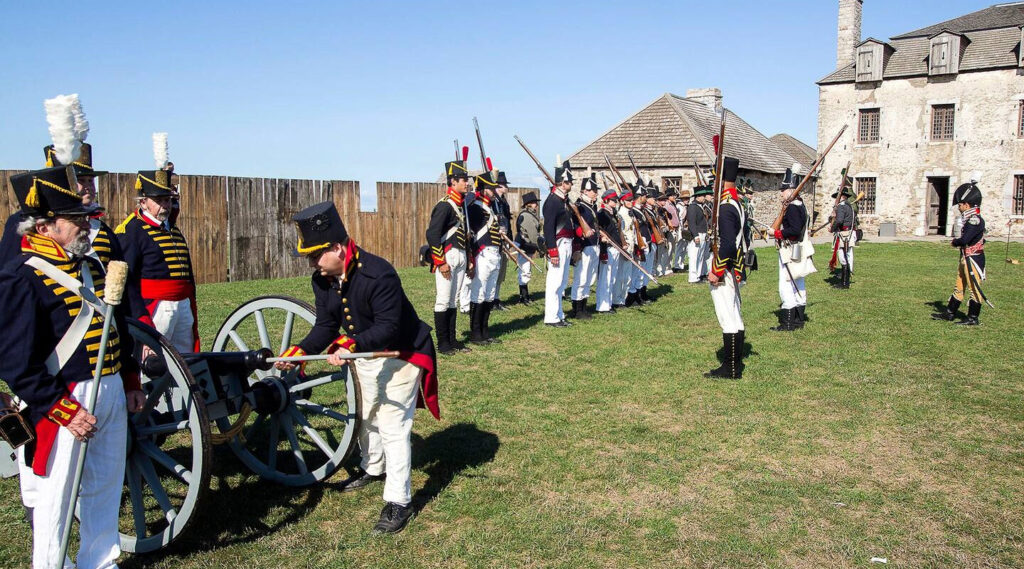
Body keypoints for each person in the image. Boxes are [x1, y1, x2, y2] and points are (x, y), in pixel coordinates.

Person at [0, 166, 145, 569]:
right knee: (56, 496)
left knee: (104, 486)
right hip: (64, 398)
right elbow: (16, 363)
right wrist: (63, 409)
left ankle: (100, 560)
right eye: (76, 219)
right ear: (45, 226)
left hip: (110, 386)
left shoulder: (89, 265)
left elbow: (117, 326)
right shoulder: (21, 277)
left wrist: (130, 377)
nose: (86, 224)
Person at [276, 201, 439, 534]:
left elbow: (389, 328)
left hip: (402, 354)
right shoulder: (322, 280)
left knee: (393, 426)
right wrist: (299, 350)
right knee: (364, 414)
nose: (310, 262)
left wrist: (349, 344)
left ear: (337, 248)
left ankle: (399, 500)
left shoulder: (378, 273)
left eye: (314, 255)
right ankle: (372, 467)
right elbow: (326, 325)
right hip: (364, 355)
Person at [116, 165, 200, 353]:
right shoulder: (132, 231)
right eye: (159, 200)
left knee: (185, 362)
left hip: (182, 304)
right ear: (143, 202)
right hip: (155, 307)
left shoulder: (171, 228)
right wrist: (140, 316)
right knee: (154, 361)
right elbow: (128, 278)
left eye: (168, 199)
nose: (166, 205)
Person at [705, 157, 747, 379]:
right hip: (734, 265)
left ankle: (730, 368)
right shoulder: (735, 203)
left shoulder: (726, 206)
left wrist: (717, 271)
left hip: (726, 266)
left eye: (715, 180)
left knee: (727, 317)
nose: (713, 185)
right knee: (735, 315)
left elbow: (729, 244)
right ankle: (736, 364)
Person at [425, 158, 473, 354]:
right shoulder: (445, 205)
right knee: (443, 300)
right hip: (447, 257)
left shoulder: (461, 206)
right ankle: (443, 343)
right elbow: (432, 234)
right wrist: (440, 261)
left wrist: (469, 259)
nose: (466, 182)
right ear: (452, 182)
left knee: (453, 300)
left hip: (460, 255)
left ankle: (452, 341)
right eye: (462, 179)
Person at [932, 182, 987, 326]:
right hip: (965, 258)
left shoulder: (974, 220)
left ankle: (973, 318)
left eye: (960, 205)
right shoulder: (969, 219)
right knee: (959, 287)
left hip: (973, 259)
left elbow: (965, 239)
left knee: (974, 289)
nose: (959, 207)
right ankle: (950, 313)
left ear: (967, 205)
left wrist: (954, 242)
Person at [543, 161, 584, 327]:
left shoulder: (563, 201)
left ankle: (559, 314)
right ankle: (551, 317)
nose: (571, 184)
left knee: (562, 281)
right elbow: (548, 228)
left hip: (566, 243)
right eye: (568, 182)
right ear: (561, 182)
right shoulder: (553, 201)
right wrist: (552, 251)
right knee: (554, 281)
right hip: (558, 244)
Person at [466, 172, 503, 344]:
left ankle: (485, 330)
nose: (493, 191)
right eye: (490, 188)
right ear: (482, 188)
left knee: (490, 294)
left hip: (494, 253)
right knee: (479, 293)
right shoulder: (474, 206)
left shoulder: (492, 206)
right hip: (482, 253)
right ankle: (475, 333)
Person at [771, 169, 809, 332]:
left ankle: (788, 323)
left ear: (791, 190)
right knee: (798, 281)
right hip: (798, 248)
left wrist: (777, 233)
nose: (781, 193)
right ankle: (799, 320)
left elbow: (793, 230)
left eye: (783, 190)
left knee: (786, 284)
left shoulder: (793, 207)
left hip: (790, 248)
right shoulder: (800, 204)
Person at [569, 174, 600, 320]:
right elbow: (575, 225)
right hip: (584, 246)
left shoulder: (591, 207)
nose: (596, 193)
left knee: (590, 278)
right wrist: (583, 233)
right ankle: (577, 309)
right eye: (593, 190)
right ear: (585, 191)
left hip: (594, 245)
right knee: (581, 278)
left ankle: (584, 306)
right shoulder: (579, 207)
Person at [594, 189, 622, 314]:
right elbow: (600, 233)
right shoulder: (602, 214)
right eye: (613, 200)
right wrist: (603, 251)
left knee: (612, 278)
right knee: (605, 277)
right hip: (607, 249)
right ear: (606, 200)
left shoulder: (612, 214)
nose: (615, 202)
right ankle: (603, 305)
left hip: (615, 248)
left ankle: (608, 303)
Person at [514, 191, 541, 305]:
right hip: (525, 246)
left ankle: (525, 296)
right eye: (534, 203)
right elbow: (532, 235)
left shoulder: (530, 215)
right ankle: (524, 297)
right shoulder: (526, 216)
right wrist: (539, 246)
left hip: (527, 246)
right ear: (529, 204)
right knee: (524, 271)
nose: (536, 205)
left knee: (525, 271)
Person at [628, 185, 654, 305]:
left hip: (646, 241)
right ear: (639, 197)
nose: (646, 198)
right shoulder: (633, 211)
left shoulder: (640, 210)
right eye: (644, 196)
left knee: (644, 270)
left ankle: (641, 293)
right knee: (637, 271)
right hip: (641, 242)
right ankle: (633, 295)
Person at [492, 174, 513, 310]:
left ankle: (496, 298)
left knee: (501, 270)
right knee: (494, 269)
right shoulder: (493, 201)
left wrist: (509, 239)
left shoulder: (503, 202)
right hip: (495, 239)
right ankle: (491, 300)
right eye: (505, 185)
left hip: (504, 238)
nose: (506, 187)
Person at [613, 187, 637, 309]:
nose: (630, 202)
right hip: (624, 247)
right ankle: (617, 299)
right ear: (622, 201)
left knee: (627, 276)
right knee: (621, 276)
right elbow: (621, 232)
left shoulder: (629, 213)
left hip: (631, 247)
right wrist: (624, 246)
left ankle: (623, 298)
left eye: (631, 200)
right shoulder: (621, 214)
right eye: (628, 200)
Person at [829, 186, 856, 289]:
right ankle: (846, 280)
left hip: (844, 235)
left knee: (843, 257)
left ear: (842, 196)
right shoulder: (849, 206)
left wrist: (832, 229)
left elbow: (839, 221)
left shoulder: (841, 206)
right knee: (847, 256)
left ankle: (844, 283)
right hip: (848, 233)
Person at [686, 186, 711, 283]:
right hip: (697, 234)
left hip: (703, 233)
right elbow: (692, 222)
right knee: (694, 256)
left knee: (700, 256)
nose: (704, 197)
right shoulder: (693, 207)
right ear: (697, 196)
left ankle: (699, 275)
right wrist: (695, 235)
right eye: (702, 196)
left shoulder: (701, 206)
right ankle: (692, 277)